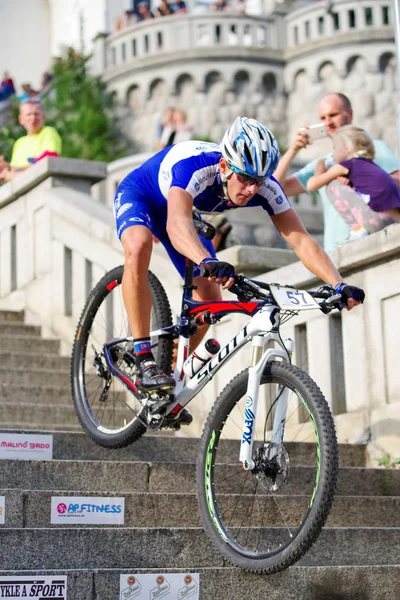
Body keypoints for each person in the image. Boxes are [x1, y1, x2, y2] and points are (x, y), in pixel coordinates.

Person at [114, 116, 365, 393]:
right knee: (138, 248)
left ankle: (166, 377)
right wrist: (207, 260)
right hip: (142, 196)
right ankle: (143, 358)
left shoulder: (264, 186)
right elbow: (176, 224)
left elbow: (301, 240)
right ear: (224, 166)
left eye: (259, 181)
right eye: (245, 179)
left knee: (209, 299)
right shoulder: (196, 169)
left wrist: (337, 283)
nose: (252, 190)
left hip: (183, 211)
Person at [274, 93, 400, 251]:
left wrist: (358, 179)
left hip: (378, 243)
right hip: (336, 252)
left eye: (333, 115)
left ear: (350, 114)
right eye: (323, 118)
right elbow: (277, 189)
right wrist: (293, 150)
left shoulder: (373, 148)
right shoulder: (322, 163)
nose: (328, 123)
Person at [307, 125, 400, 239]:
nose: (332, 154)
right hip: (395, 220)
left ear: (347, 148)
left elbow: (311, 185)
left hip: (376, 220)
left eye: (335, 148)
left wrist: (319, 170)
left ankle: (357, 229)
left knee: (331, 185)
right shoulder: (370, 166)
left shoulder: (346, 165)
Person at [0, 99, 62, 183]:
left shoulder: (48, 132)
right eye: (28, 114)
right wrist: (5, 167)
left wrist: (14, 172)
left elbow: (48, 162)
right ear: (21, 119)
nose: (33, 118)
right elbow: (14, 168)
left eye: (36, 114)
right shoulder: (19, 143)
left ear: (44, 116)